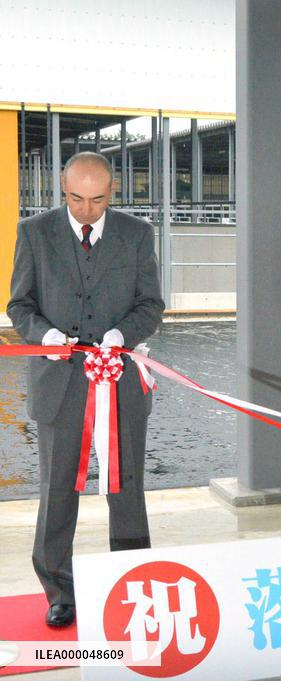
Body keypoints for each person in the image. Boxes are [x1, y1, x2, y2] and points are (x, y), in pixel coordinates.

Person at [7, 152, 164, 627]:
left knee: (127, 484)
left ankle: (132, 581)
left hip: (119, 381)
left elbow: (150, 303)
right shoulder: (34, 233)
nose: (86, 210)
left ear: (112, 191)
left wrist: (121, 336)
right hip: (59, 382)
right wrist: (44, 336)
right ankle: (60, 589)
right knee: (57, 489)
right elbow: (20, 304)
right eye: (76, 198)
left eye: (97, 200)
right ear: (62, 188)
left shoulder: (137, 234)